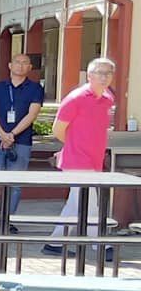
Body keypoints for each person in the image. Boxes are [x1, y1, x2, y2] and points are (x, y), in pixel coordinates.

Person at [43, 57, 119, 255]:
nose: (104, 77)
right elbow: (58, 129)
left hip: (95, 160)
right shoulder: (76, 98)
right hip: (76, 160)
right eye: (99, 73)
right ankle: (101, 244)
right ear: (89, 75)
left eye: (108, 73)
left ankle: (54, 243)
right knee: (89, 202)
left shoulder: (108, 98)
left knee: (76, 202)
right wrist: (75, 146)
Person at [0, 54, 45, 218]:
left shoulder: (35, 88)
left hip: (21, 141)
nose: (20, 66)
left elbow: (32, 114)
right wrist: (3, 134)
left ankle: (8, 219)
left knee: (14, 184)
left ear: (30, 67)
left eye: (24, 63)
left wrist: (12, 135)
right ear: (9, 65)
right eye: (17, 62)